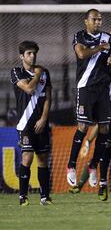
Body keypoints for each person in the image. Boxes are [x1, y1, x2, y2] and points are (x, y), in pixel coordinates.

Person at [66, 9, 111, 189]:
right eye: (95, 19)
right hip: (85, 88)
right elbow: (81, 54)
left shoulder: (108, 37)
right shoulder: (80, 36)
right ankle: (71, 166)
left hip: (102, 90)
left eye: (100, 19)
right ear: (86, 21)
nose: (98, 22)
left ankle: (93, 166)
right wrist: (101, 48)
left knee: (105, 129)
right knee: (83, 127)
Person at [11, 41, 52, 206]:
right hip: (25, 124)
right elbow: (28, 89)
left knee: (42, 158)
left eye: (34, 53)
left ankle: (45, 197)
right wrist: (37, 74)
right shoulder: (16, 72)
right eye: (29, 53)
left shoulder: (45, 72)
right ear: (22, 56)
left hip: (41, 123)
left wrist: (43, 118)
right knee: (27, 157)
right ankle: (23, 196)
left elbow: (49, 97)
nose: (32, 56)